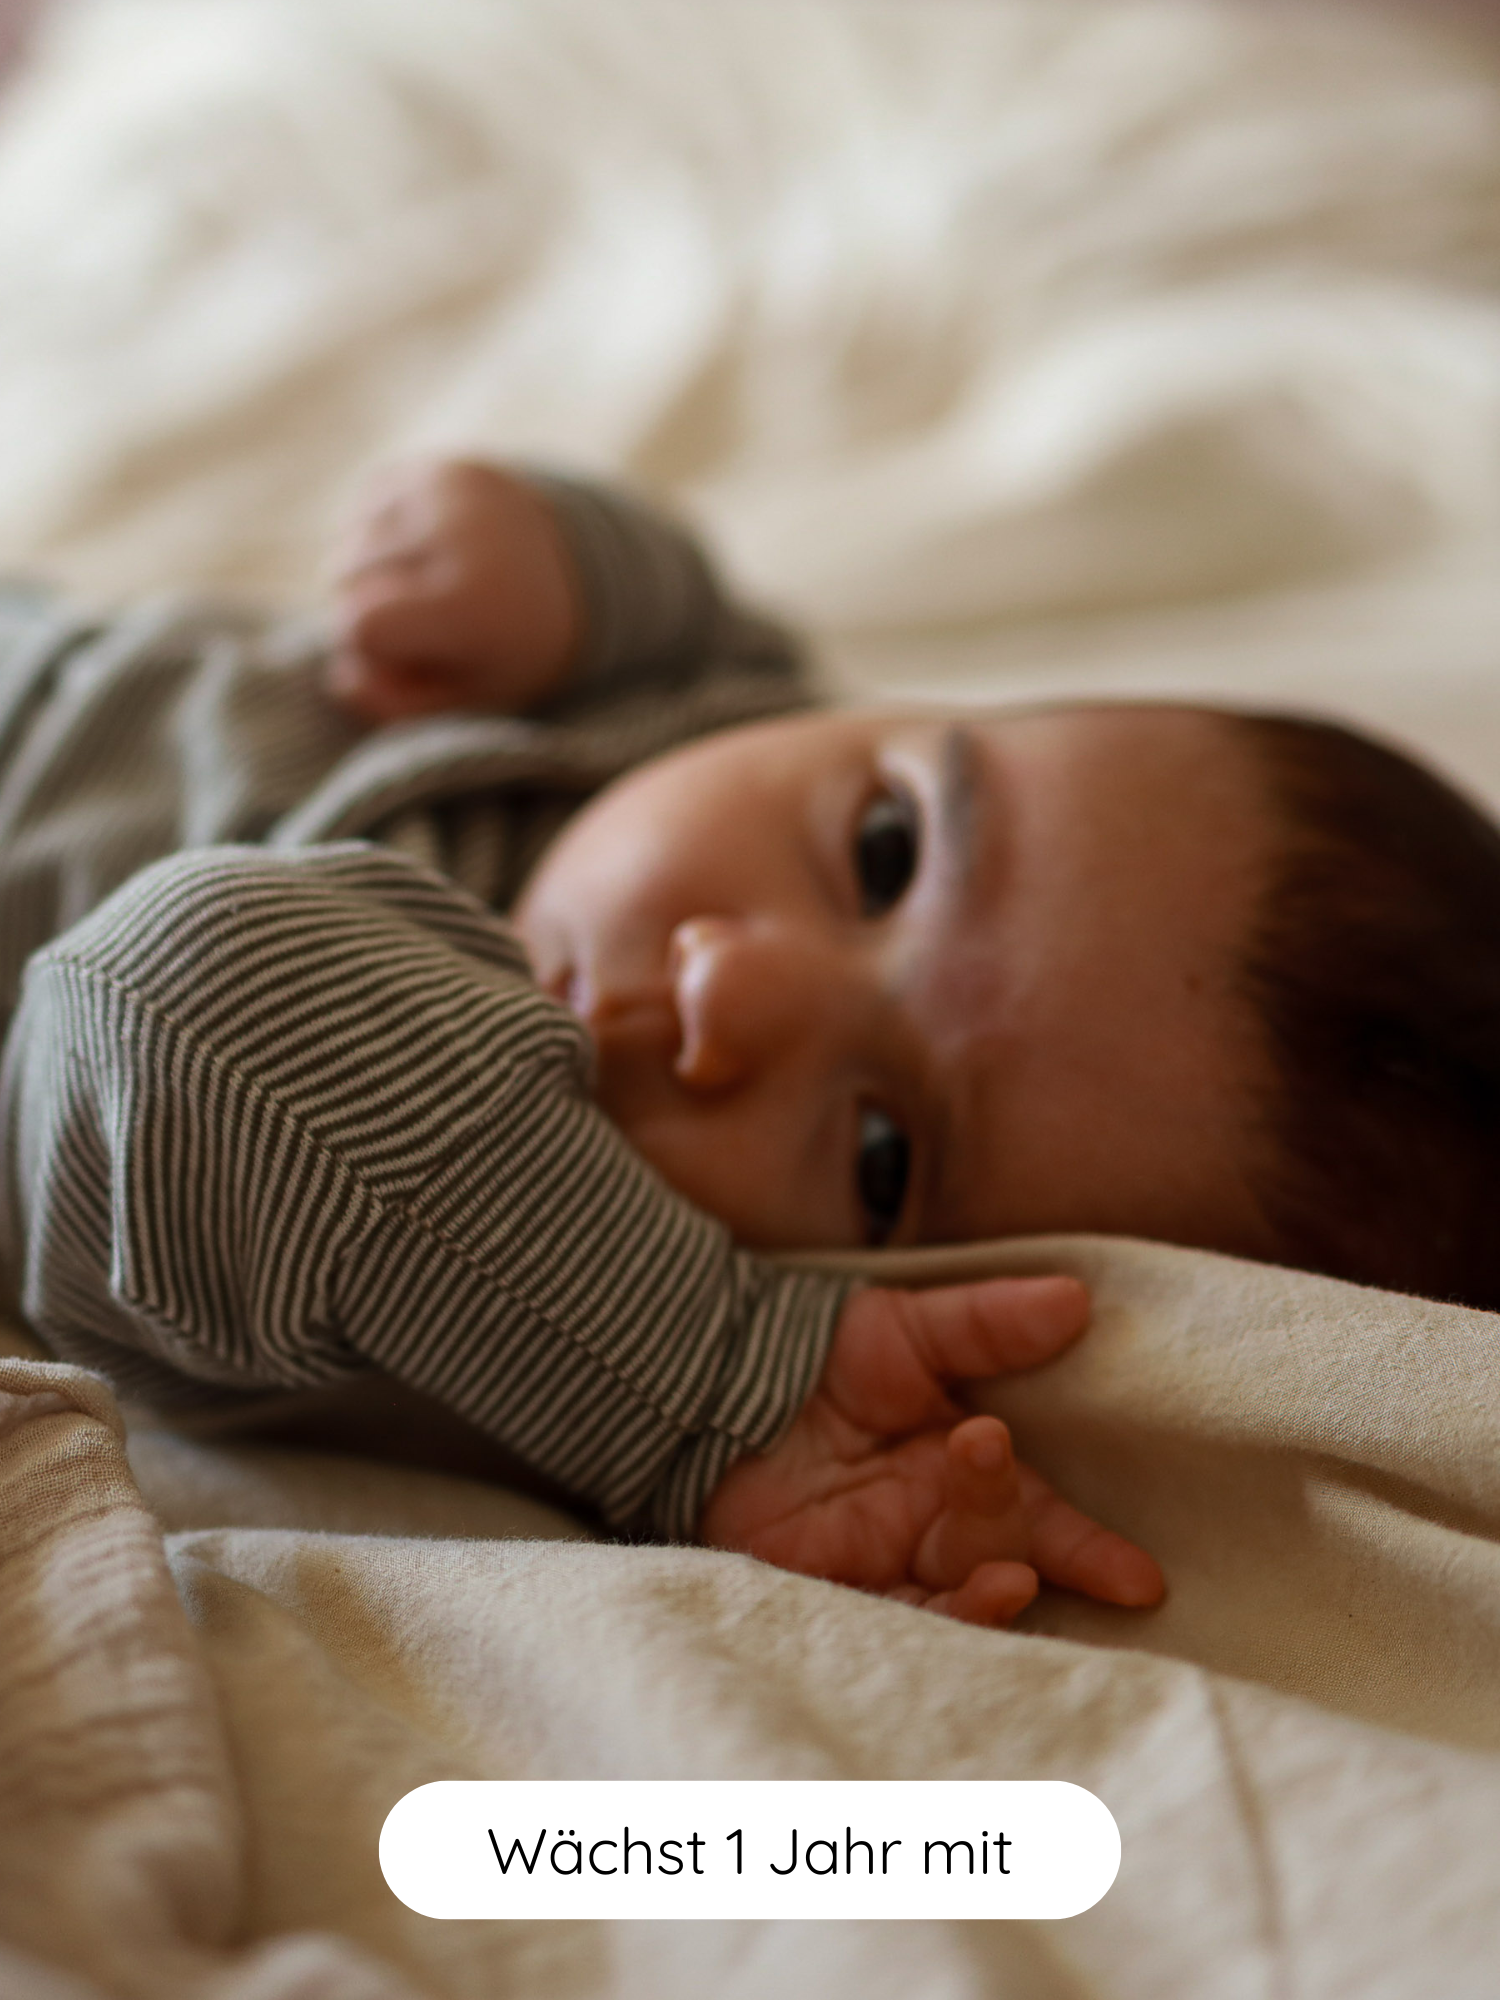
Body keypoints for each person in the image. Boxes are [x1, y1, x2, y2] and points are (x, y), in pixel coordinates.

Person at [3, 461, 1496, 1626]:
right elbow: (719, 642)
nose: (735, 993)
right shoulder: (716, 735)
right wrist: (556, 566)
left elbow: (179, 991)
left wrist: (716, 1381)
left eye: (881, 1156)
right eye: (889, 851)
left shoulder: (443, 1297)